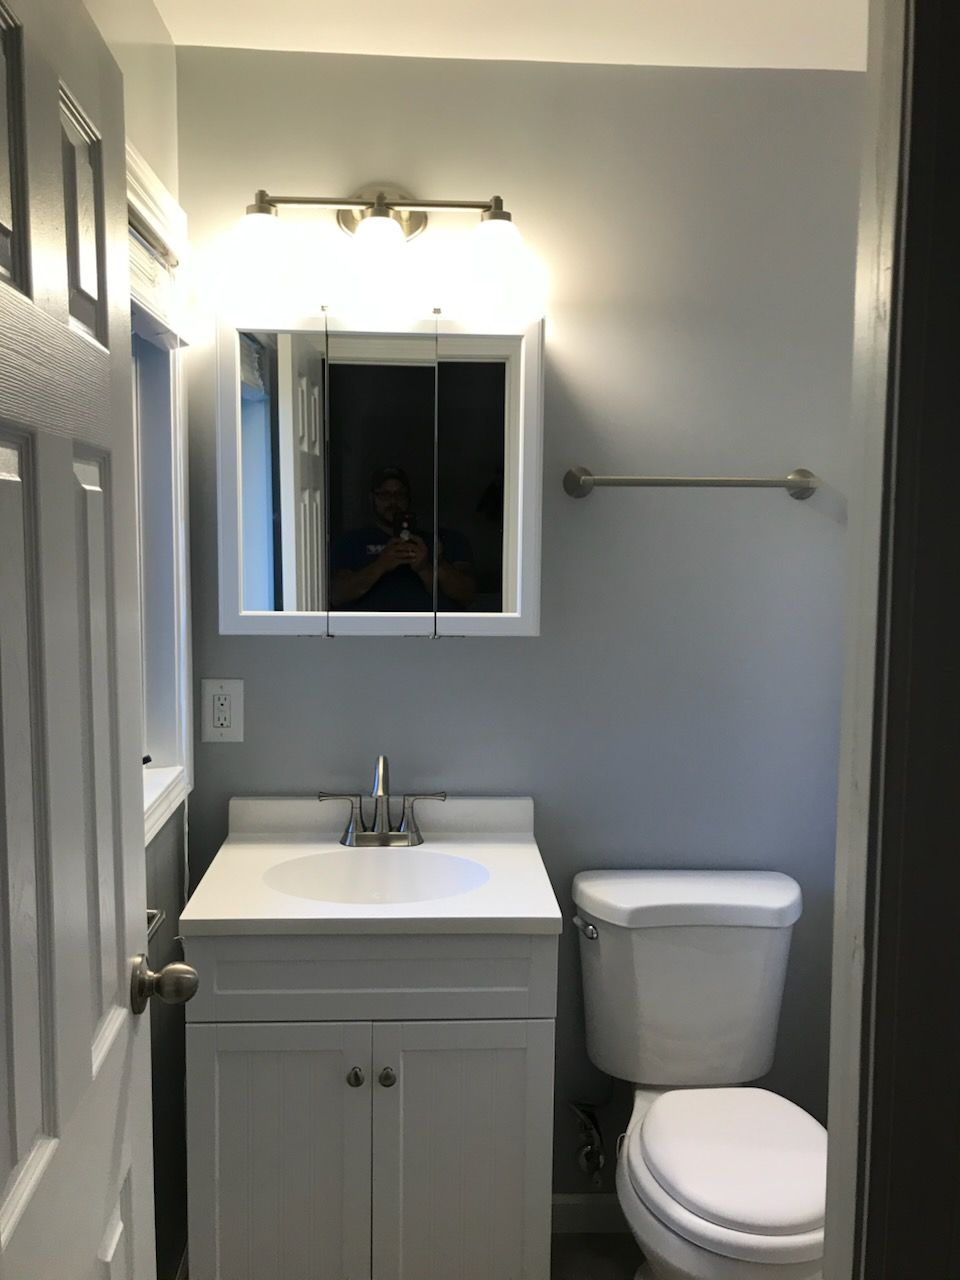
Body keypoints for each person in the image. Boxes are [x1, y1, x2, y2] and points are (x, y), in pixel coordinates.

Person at [330, 466, 476, 611]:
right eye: (384, 495)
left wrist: (427, 567)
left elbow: (467, 595)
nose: (393, 501)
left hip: (427, 625)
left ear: (408, 498)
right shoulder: (351, 542)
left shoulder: (439, 541)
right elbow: (336, 595)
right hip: (370, 625)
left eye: (399, 494)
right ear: (372, 498)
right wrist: (381, 564)